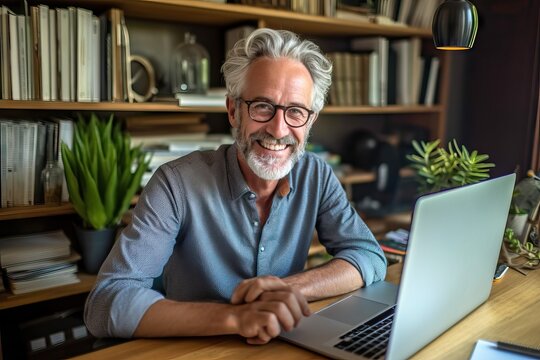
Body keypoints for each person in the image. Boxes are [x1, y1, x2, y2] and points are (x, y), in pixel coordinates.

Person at [84, 28, 387, 345]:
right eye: (262, 106)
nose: (278, 129)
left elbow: (368, 255)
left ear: (310, 122)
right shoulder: (175, 183)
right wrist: (237, 318)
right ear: (233, 110)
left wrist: (287, 289)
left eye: (295, 112)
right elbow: (105, 303)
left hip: (281, 346)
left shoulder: (317, 175)